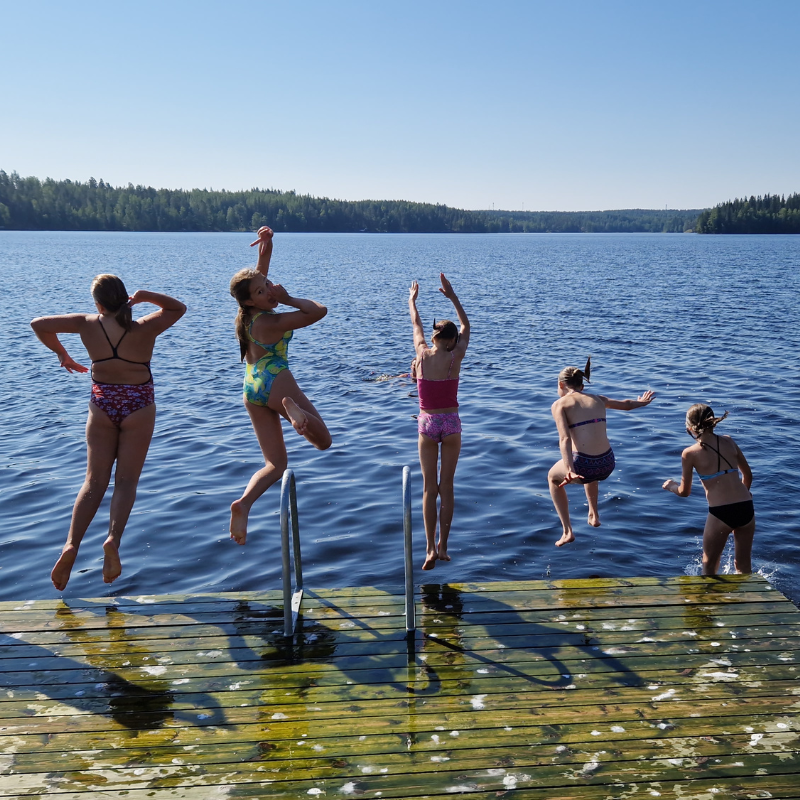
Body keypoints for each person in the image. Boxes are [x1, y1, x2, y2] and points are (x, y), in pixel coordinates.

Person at [30, 275, 186, 590]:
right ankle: (112, 540)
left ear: (98, 303)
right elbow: (178, 308)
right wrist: (145, 296)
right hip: (139, 403)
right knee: (126, 482)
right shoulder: (144, 326)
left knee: (93, 481)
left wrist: (62, 354)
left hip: (103, 403)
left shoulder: (86, 323)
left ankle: (71, 545)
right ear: (126, 299)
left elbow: (38, 324)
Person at [228, 226, 331, 545]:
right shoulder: (274, 321)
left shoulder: (246, 315)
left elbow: (257, 277)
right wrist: (286, 298)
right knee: (323, 441)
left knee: (276, 464)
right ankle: (297, 415)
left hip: (251, 387)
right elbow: (318, 311)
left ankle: (243, 504)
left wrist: (266, 248)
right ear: (250, 300)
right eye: (262, 292)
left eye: (268, 286)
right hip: (277, 382)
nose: (269, 291)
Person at [549, 358, 654, 547]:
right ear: (582, 384)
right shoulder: (598, 399)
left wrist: (569, 469)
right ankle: (593, 514)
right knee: (589, 460)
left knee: (552, 478)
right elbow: (627, 404)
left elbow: (564, 439)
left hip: (584, 466)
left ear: (561, 384)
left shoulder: (560, 405)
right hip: (607, 463)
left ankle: (567, 531)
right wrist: (642, 403)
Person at [408, 274, 470, 570]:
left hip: (428, 424)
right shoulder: (455, 356)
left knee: (428, 488)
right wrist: (453, 296)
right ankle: (444, 546)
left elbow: (416, 324)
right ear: (452, 340)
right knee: (448, 486)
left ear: (435, 338)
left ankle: (430, 548)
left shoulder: (421, 354)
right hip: (452, 424)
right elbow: (467, 326)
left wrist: (412, 300)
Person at [662, 404, 754, 575]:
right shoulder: (729, 441)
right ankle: (747, 599)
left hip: (721, 513)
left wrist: (671, 486)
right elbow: (748, 476)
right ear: (713, 423)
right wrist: (743, 494)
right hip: (746, 507)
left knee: (709, 567)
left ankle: (709, 602)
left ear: (689, 428)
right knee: (743, 567)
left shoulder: (689, 453)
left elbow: (684, 492)